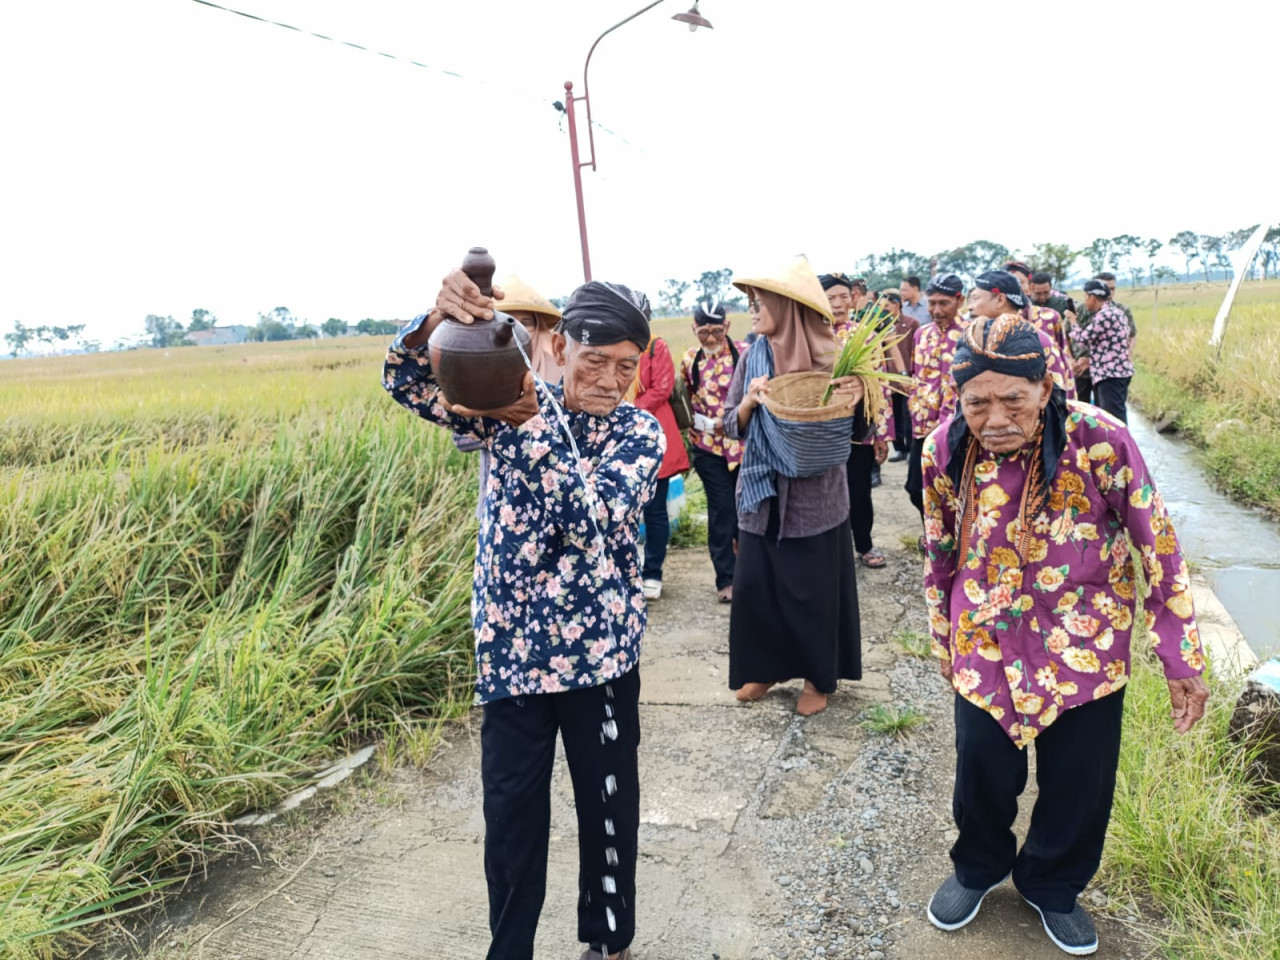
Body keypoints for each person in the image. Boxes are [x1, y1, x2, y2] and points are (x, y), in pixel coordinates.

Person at [383, 270, 665, 960]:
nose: (610, 381)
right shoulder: (505, 399)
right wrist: (436, 320)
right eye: (595, 360)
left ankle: (609, 941)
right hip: (512, 653)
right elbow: (408, 383)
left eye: (626, 366)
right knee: (510, 817)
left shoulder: (638, 433)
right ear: (561, 346)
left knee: (607, 805)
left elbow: (590, 520)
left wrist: (531, 427)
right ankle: (509, 950)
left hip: (600, 656)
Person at [920, 313, 1208, 956]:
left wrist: (1179, 655)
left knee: (1080, 781)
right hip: (986, 639)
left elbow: (1157, 545)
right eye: (977, 403)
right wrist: (944, 638)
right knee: (981, 769)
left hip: (1087, 641)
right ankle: (977, 868)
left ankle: (1051, 884)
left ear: (1045, 388)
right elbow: (938, 551)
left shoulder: (1101, 439)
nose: (996, 419)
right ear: (958, 398)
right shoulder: (943, 449)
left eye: (1013, 400)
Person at [724, 257, 866, 716]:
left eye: (759, 302)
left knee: (814, 593)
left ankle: (817, 679)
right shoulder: (753, 357)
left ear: (787, 307)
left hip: (816, 500)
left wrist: (859, 397)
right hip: (761, 495)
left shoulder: (837, 359)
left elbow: (862, 430)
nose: (752, 311)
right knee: (757, 589)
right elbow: (729, 423)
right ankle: (765, 669)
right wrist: (749, 402)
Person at [453, 275, 565, 514]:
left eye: (527, 323)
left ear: (539, 327)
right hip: (500, 502)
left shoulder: (562, 371)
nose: (517, 330)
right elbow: (461, 439)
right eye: (507, 321)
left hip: (555, 502)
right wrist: (503, 421)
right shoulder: (482, 373)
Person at [822, 272, 892, 568]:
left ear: (853, 299)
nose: (838, 304)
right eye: (830, 298)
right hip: (820, 430)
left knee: (859, 489)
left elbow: (880, 386)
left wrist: (881, 435)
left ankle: (864, 544)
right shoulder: (810, 336)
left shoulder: (866, 336)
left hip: (857, 428)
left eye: (843, 297)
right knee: (822, 492)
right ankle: (829, 549)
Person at [681, 300, 746, 602]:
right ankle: (726, 579)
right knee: (721, 510)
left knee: (747, 508)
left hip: (743, 446)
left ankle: (749, 569)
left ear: (727, 327)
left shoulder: (744, 354)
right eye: (703, 332)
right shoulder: (689, 360)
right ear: (694, 328)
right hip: (707, 447)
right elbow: (684, 398)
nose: (710, 339)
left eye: (717, 332)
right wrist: (692, 426)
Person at [632, 312, 691, 600]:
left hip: (656, 438)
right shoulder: (612, 347)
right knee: (625, 512)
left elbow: (662, 389)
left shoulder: (656, 347)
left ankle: (652, 573)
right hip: (623, 442)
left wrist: (625, 409)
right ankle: (629, 571)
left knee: (655, 511)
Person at [906, 274, 968, 523]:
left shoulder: (972, 333)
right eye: (932, 303)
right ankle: (932, 534)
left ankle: (955, 539)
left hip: (958, 428)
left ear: (960, 301)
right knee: (916, 489)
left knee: (954, 491)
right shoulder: (921, 334)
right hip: (923, 429)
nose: (937, 310)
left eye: (944, 303)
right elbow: (915, 375)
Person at [1070, 279, 1134, 422]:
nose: (1085, 301)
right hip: (1112, 372)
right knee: (1109, 417)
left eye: (1085, 297)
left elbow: (1083, 339)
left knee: (1113, 419)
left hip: (1111, 374)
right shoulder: (1114, 312)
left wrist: (1073, 321)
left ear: (1092, 297)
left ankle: (1120, 438)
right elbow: (1106, 345)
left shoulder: (1106, 315)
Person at [882, 289, 920, 463]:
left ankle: (911, 448)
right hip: (889, 377)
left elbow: (917, 348)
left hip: (907, 376)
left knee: (909, 414)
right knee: (895, 414)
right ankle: (899, 449)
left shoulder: (911, 323)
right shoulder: (881, 324)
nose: (884, 309)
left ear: (896, 304)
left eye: (887, 306)